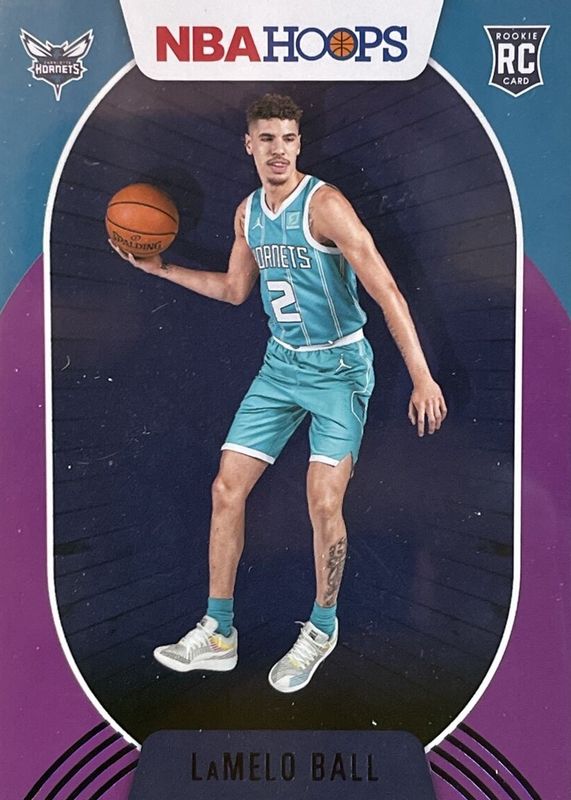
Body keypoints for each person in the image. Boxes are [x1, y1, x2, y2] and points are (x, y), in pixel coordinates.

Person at [109, 93, 447, 693]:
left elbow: (387, 290)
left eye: (288, 138)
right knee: (225, 489)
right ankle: (219, 633)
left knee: (323, 502)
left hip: (340, 370)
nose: (279, 150)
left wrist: (422, 376)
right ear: (250, 144)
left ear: (299, 143)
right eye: (267, 138)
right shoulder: (248, 214)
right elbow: (236, 290)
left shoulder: (326, 206)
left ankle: (321, 629)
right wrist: (161, 270)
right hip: (281, 367)